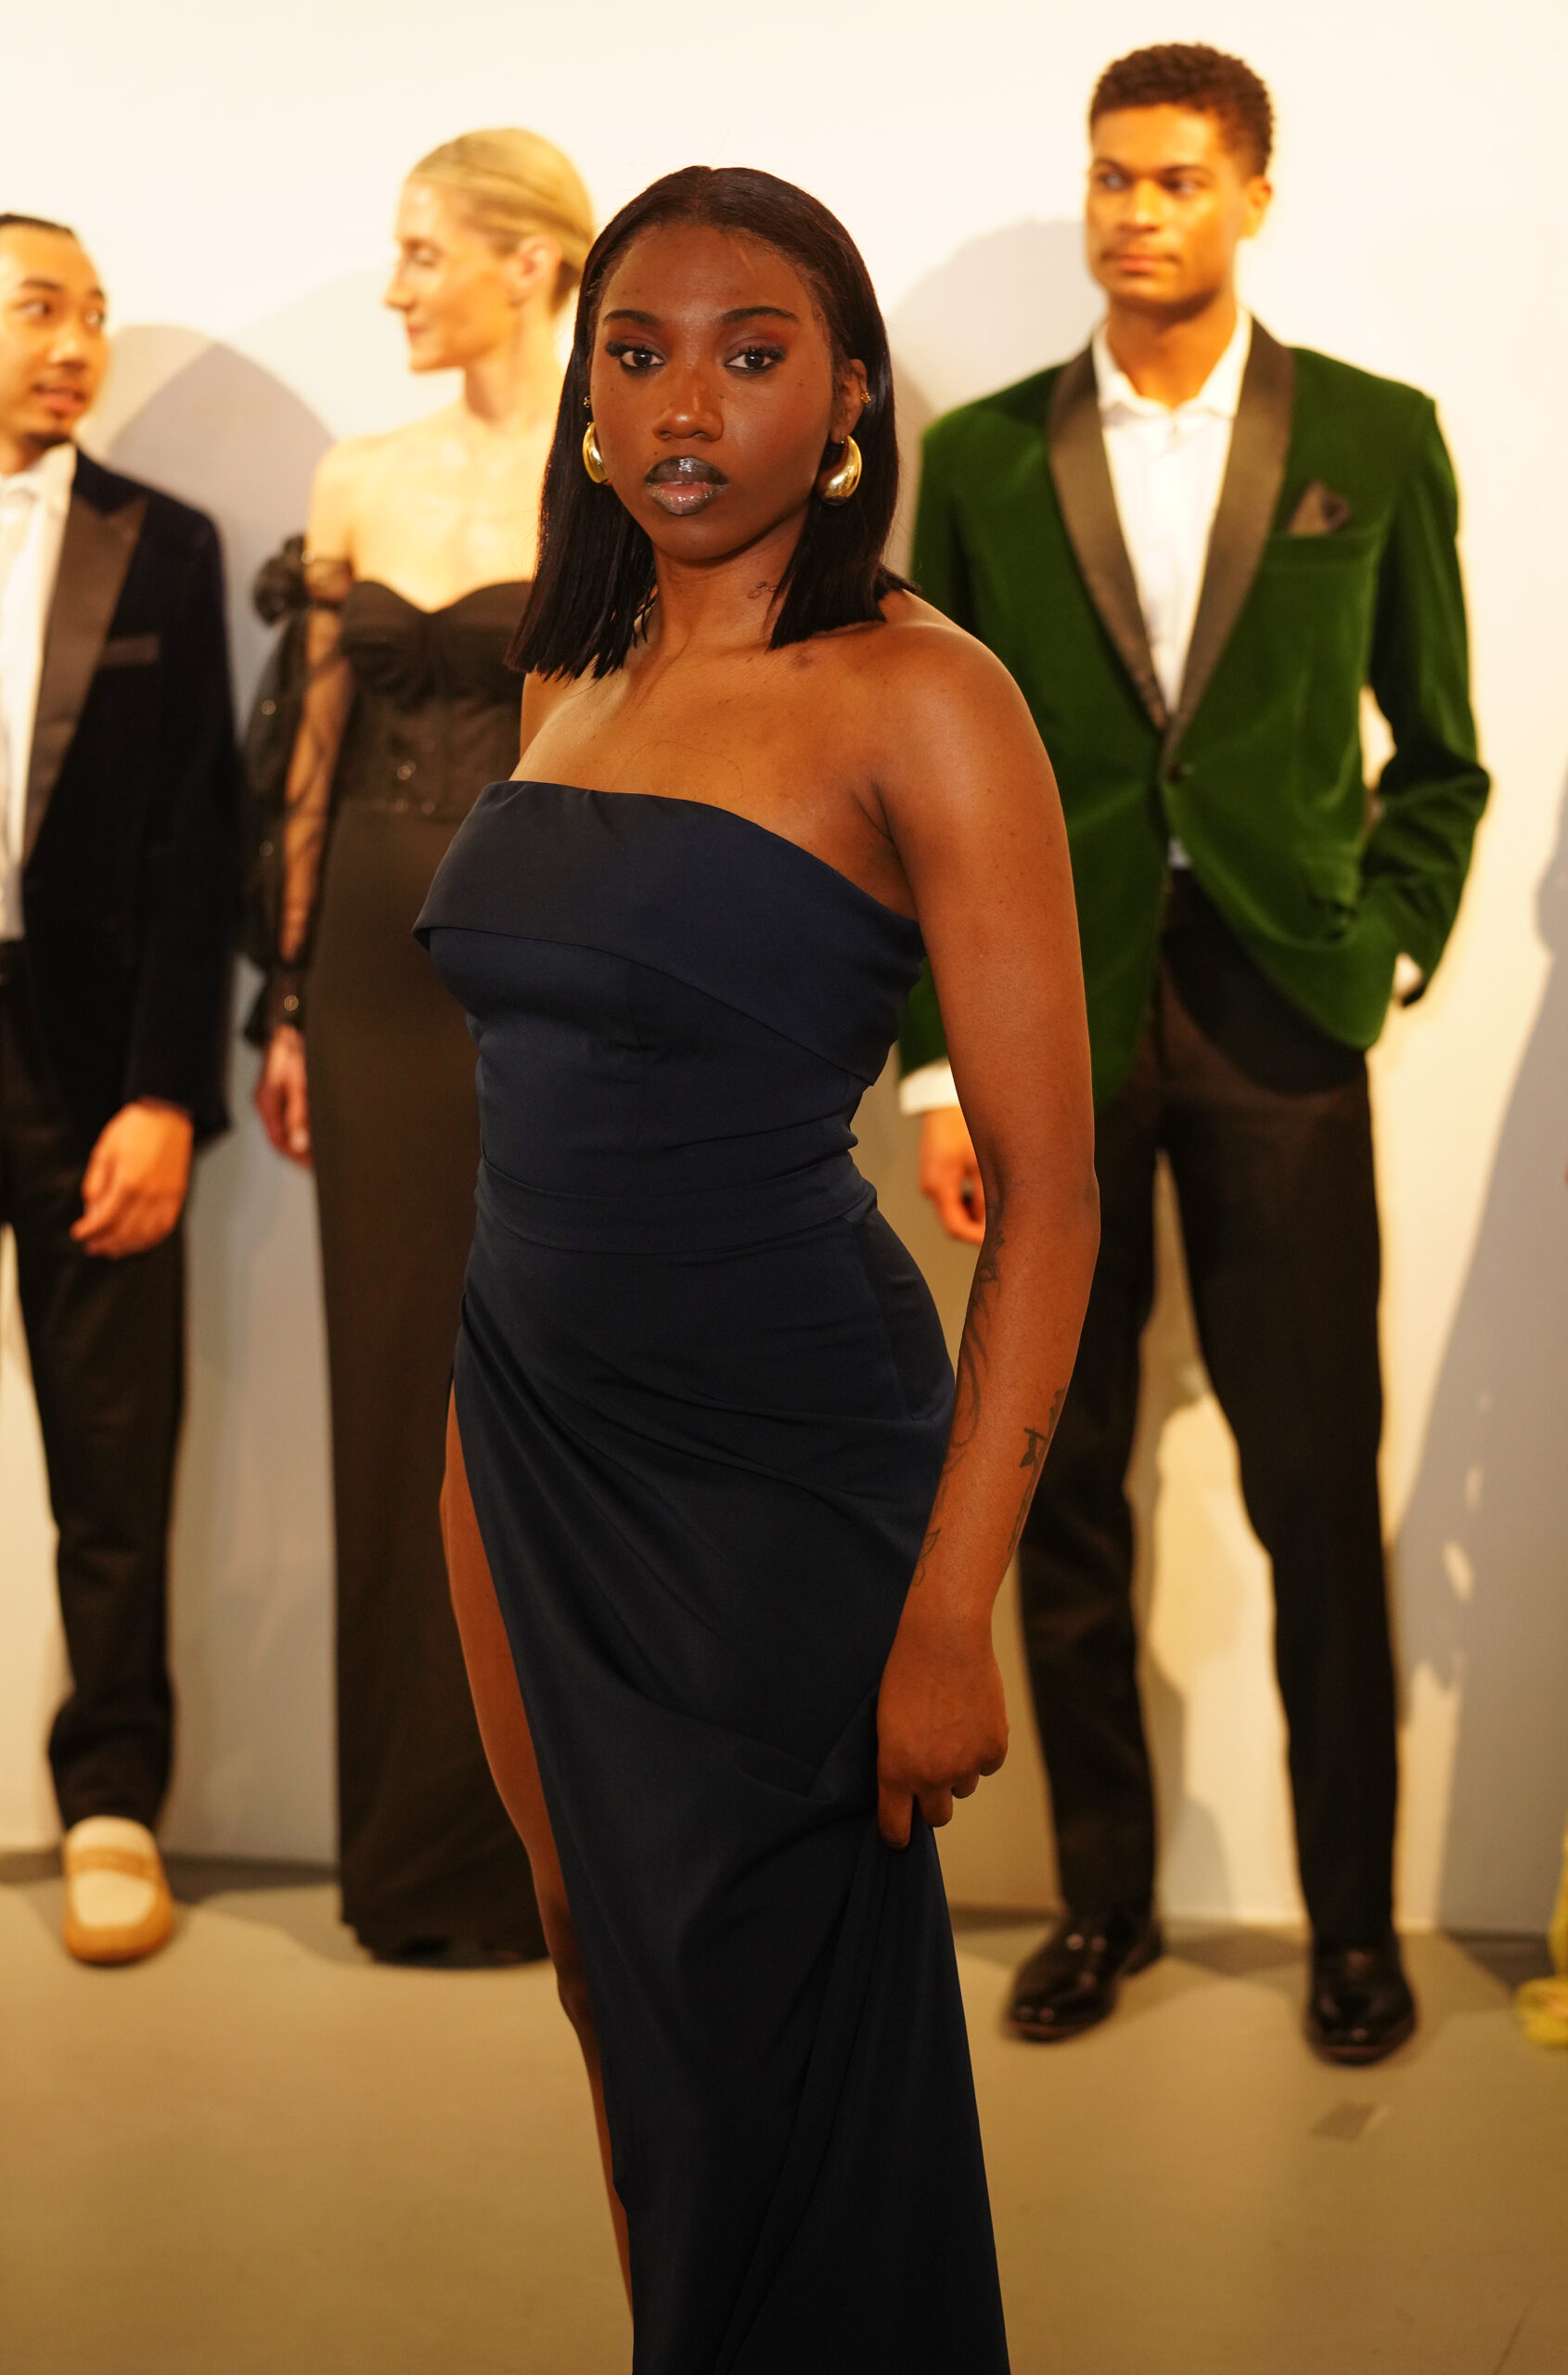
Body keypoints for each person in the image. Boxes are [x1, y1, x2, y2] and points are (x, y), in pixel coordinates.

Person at [417, 166, 1097, 2369]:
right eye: (635, 352)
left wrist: (950, 1605)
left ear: (853, 395)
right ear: (586, 392)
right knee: (612, 1983)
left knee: (761, 2029)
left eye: (750, 351)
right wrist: (482, 1424)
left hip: (777, 1462)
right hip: (525, 1422)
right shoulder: (570, 663)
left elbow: (1051, 1198)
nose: (682, 402)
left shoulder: (928, 695)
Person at [904, 44, 1488, 2064]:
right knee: (1057, 1477)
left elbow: (1442, 752)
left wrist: (1380, 951)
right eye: (1108, 177)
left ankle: (1353, 1929)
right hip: (1044, 1028)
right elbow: (921, 783)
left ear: (1251, 197)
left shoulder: (1375, 437)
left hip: (1281, 1019)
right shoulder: (987, 456)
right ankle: (1103, 1904)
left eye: (1171, 180)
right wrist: (932, 1065)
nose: (1132, 212)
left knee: (1312, 1484)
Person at [251, 132, 593, 1962]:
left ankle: (565, 1847)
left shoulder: (614, 483)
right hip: (375, 990)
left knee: (556, 1396)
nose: (391, 289)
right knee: (393, 1395)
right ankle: (409, 1855)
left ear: (529, 262)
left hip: (559, 975)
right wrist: (288, 997)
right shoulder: (357, 474)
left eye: (419, 253)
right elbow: (305, 761)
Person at [0, 213, 237, 1963]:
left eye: (94, 313)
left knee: (116, 1457)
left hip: (92, 1065)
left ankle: (113, 1800)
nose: (77, 342)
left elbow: (198, 839)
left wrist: (165, 1095)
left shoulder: (164, 542)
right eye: (37, 308)